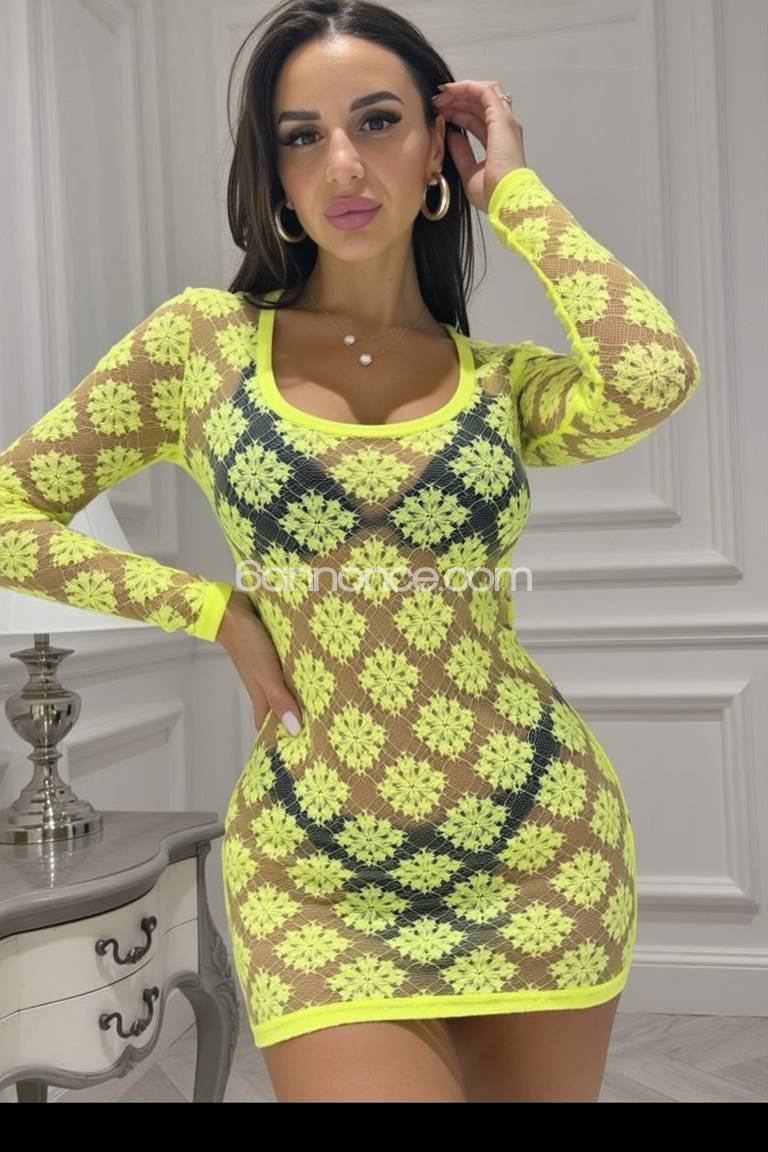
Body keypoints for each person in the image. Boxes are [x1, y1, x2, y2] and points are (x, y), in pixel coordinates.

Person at [0, 0, 700, 1103]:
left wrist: (516, 192)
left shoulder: (500, 385)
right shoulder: (201, 347)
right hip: (316, 863)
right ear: (273, 176)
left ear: (437, 149)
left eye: (378, 122)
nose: (342, 163)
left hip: (539, 840)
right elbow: (10, 514)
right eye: (302, 135)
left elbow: (651, 374)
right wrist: (214, 611)